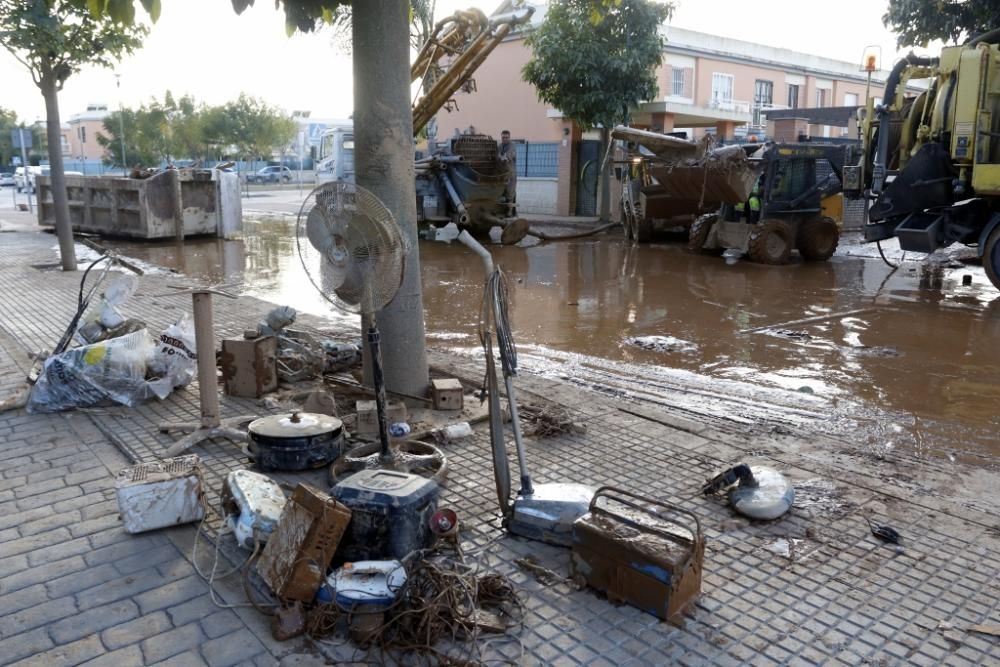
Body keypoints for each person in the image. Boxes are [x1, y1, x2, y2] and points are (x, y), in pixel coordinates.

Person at [498, 130, 517, 212]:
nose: (504, 139)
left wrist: (504, 158)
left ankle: (510, 211)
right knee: (501, 192)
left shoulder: (512, 145)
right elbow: (497, 155)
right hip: (501, 173)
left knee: (510, 192)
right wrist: (499, 157)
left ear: (509, 137)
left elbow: (510, 155)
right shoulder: (499, 146)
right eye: (503, 137)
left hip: (510, 172)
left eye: (506, 137)